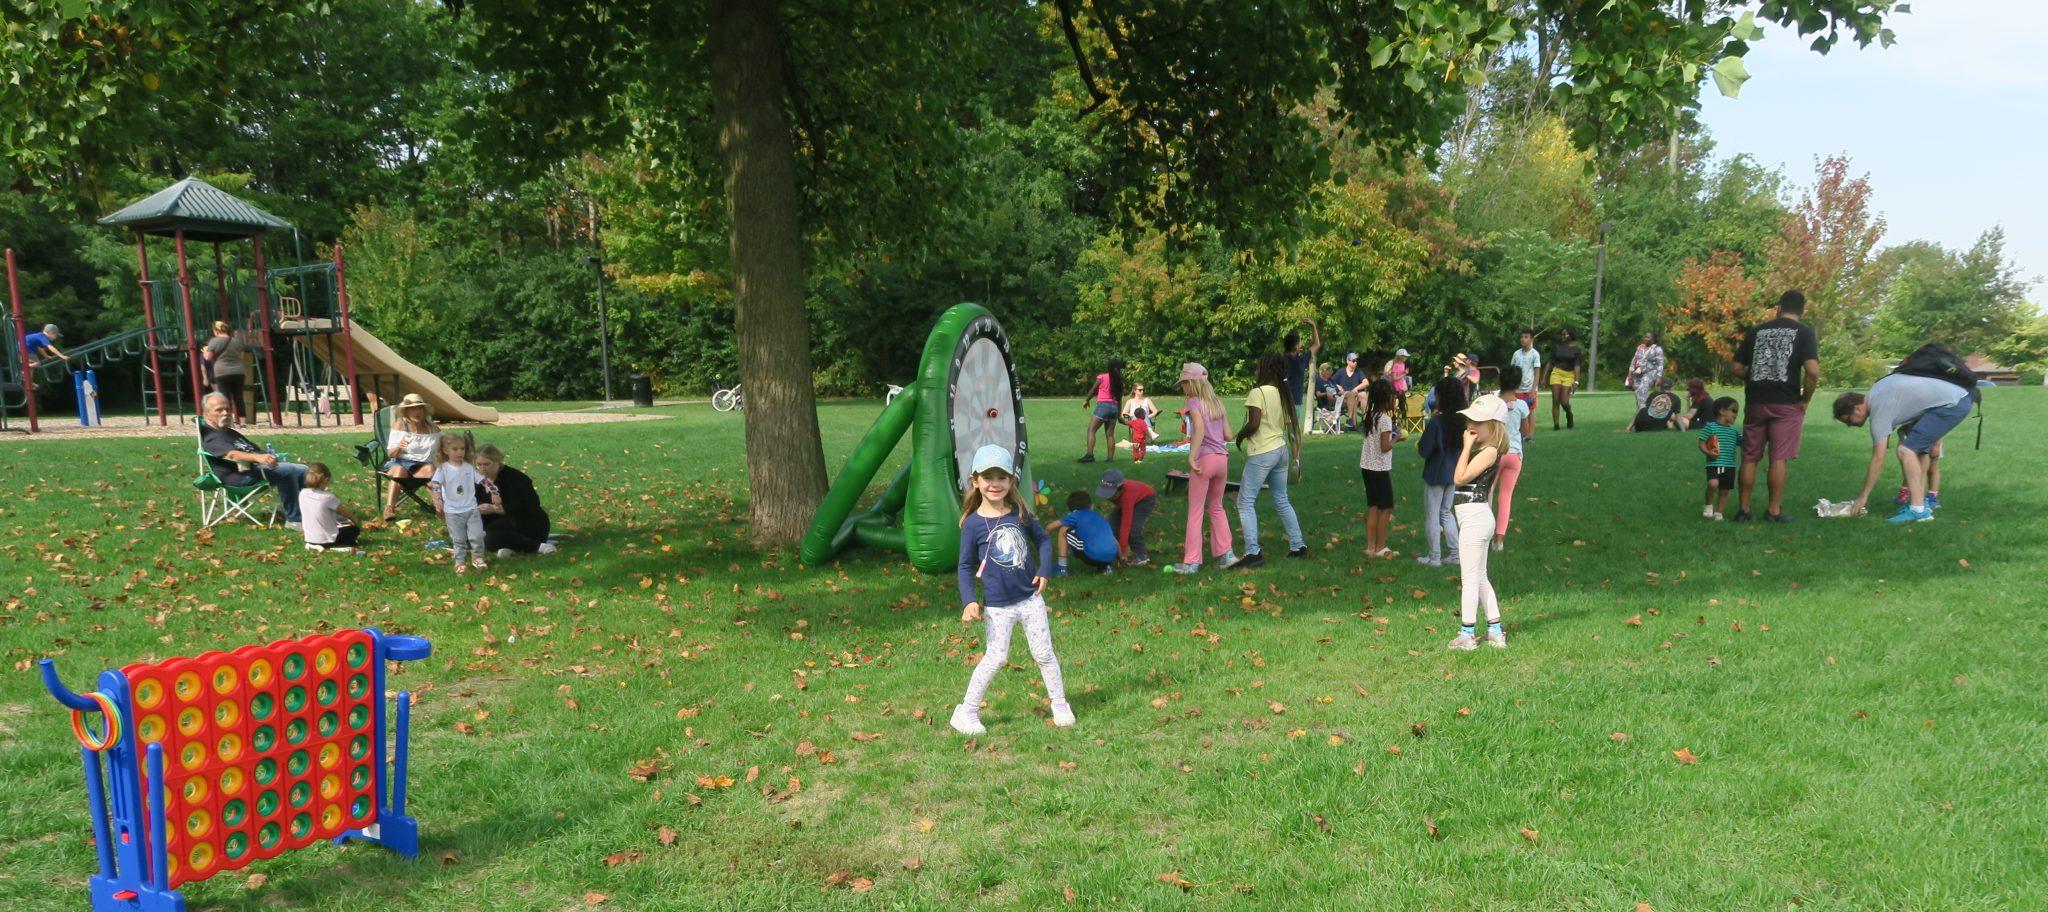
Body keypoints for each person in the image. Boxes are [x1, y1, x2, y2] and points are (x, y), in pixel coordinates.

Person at [952, 444, 1072, 734]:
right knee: (995, 658)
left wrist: (1044, 570)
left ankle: (1059, 703)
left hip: (1030, 600)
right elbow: (965, 566)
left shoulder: (1019, 513)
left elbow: (1043, 540)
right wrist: (969, 601)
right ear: (975, 481)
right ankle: (965, 712)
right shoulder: (972, 525)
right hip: (997, 607)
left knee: (1044, 654)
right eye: (988, 477)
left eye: (1001, 477)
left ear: (1011, 481)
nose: (995, 484)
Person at [1832, 371, 1973, 523]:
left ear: (1857, 409)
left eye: (1848, 420)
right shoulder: (1876, 391)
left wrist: (1863, 496)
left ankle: (1918, 511)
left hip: (1952, 404)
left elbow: (1878, 460)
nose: (1849, 425)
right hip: (1958, 398)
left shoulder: (1878, 410)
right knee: (1917, 450)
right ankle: (1920, 503)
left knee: (1905, 450)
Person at [1731, 290, 1820, 522]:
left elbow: (1736, 368)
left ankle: (1744, 510)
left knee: (1749, 457)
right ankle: (1773, 511)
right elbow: (1812, 371)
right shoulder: (1804, 332)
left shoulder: (1757, 331)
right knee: (1778, 458)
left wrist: (1756, 377)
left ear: (1779, 308)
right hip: (1786, 404)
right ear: (1802, 311)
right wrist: (1805, 399)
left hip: (1756, 402)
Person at [1231, 352, 1307, 569]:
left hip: (1262, 452)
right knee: (1282, 499)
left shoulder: (1258, 393)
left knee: (1245, 502)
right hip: (1280, 451)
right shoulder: (1283, 393)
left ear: (1265, 370)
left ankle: (1253, 552)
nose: (1256, 371)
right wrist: (1296, 455)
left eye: (1258, 367)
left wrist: (1240, 436)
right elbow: (1291, 428)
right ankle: (1298, 545)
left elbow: (1254, 423)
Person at [1448, 395, 1510, 651]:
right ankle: (1495, 630)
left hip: (1475, 519)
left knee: (1469, 579)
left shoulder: (1489, 452)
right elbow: (1489, 491)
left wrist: (1465, 447)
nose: (1471, 425)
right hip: (1477, 517)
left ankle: (1467, 635)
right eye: (1470, 420)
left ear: (1494, 425)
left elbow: (1459, 478)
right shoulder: (1488, 452)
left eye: (1478, 422)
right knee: (1480, 577)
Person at [199, 392, 309, 529]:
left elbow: (253, 449)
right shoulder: (211, 436)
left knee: (302, 470)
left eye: (227, 409)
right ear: (207, 414)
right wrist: (258, 458)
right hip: (239, 478)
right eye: (219, 410)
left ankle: (307, 513)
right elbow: (232, 455)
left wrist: (268, 456)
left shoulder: (230, 432)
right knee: (287, 470)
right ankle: (294, 520)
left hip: (254, 470)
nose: (225, 413)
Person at [1167, 363, 1239, 574]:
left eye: (1184, 384)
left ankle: (1192, 562)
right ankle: (1227, 555)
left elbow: (1198, 428)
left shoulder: (1193, 402)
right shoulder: (1217, 403)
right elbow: (1228, 435)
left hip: (1204, 460)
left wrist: (1192, 456)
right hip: (1222, 460)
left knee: (1196, 510)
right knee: (1216, 507)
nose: (1183, 388)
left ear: (1192, 383)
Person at [1415, 378, 1465, 568]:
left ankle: (1434, 556)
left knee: (1432, 513)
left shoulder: (1436, 422)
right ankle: (1455, 554)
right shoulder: (1462, 420)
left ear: (1441, 398)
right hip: (1453, 472)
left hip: (1436, 473)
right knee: (1446, 512)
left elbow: (1424, 449)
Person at [430, 432, 497, 573]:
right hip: (453, 512)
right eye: (455, 449)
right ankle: (460, 562)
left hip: (471, 509)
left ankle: (477, 557)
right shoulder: (443, 469)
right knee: (458, 539)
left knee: (477, 535)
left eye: (462, 448)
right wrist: (438, 499)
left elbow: (483, 480)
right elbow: (435, 484)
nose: (460, 452)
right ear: (446, 451)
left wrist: (494, 492)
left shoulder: (468, 468)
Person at [476, 443, 556, 555]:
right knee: (476, 533)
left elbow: (529, 506)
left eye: (486, 464)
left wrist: (494, 509)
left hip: (528, 522)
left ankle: (539, 547)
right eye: (479, 465)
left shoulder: (515, 478)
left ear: (498, 461)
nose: (482, 469)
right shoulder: (479, 481)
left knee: (490, 535)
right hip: (499, 525)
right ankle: (510, 548)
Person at [379, 393, 441, 520]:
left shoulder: (432, 428)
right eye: (412, 409)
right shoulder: (400, 426)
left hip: (422, 466)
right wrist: (399, 447)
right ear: (406, 412)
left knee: (430, 470)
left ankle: (440, 509)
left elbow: (445, 447)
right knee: (398, 471)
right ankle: (389, 508)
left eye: (419, 408)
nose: (417, 412)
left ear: (424, 411)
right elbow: (390, 454)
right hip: (400, 463)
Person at [1357, 378, 1398, 559]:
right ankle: (1381, 547)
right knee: (1386, 508)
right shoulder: (1385, 419)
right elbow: (1385, 446)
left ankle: (1370, 547)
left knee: (1373, 507)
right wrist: (1396, 438)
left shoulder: (1369, 416)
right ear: (1386, 398)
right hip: (1379, 469)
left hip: (1366, 467)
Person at [1492, 366, 1531, 552]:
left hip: (1495, 453)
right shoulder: (1522, 406)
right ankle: (1499, 540)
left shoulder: (1494, 402)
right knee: (1505, 497)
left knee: (1487, 493)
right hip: (1514, 454)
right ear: (1518, 383)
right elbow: (1526, 431)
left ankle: (1484, 534)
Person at [1097, 469, 1156, 566]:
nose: (1109, 498)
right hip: (1129, 500)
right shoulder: (1116, 493)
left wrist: (1123, 550)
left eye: (1111, 495)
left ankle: (1141, 555)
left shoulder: (1127, 497)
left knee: (1133, 527)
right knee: (1110, 524)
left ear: (1120, 491)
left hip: (1145, 500)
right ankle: (1114, 551)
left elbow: (1126, 525)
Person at [298, 462, 362, 552]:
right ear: (325, 480)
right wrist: (355, 520)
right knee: (354, 530)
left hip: (309, 538)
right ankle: (338, 544)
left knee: (339, 523)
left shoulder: (302, 494)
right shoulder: (328, 497)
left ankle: (315, 545)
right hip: (327, 540)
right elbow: (345, 512)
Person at [1051, 490, 1118, 575]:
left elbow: (1051, 526)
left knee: (1063, 530)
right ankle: (1106, 567)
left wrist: (1045, 535)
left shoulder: (1075, 515)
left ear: (1073, 511)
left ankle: (1062, 567)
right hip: (1110, 557)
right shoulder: (1101, 517)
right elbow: (1114, 540)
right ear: (1092, 506)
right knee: (1102, 538)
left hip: (1092, 556)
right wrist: (1122, 557)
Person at [1697, 397, 1741, 521]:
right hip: (1715, 463)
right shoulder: (1710, 427)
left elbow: (1743, 442)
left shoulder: (1734, 431)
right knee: (1713, 484)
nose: (1736, 414)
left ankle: (1719, 513)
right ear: (1722, 411)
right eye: (1734, 410)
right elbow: (1701, 443)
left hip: (1730, 465)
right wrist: (1708, 452)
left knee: (1724, 490)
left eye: (1737, 411)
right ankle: (1708, 505)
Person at [1079, 359, 1127, 463]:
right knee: (1110, 434)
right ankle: (1110, 459)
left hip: (1103, 406)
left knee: (1091, 430)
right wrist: (1119, 416)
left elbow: (1093, 390)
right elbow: (1119, 400)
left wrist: (1087, 400)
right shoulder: (1119, 382)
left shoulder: (1102, 377)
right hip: (1114, 408)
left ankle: (1089, 455)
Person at [203, 321, 249, 424]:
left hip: (222, 372)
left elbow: (208, 358)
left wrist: (205, 351)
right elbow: (241, 356)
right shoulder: (237, 341)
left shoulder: (214, 341)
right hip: (239, 372)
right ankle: (243, 422)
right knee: (239, 397)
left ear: (216, 331)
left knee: (225, 398)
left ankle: (228, 420)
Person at [1281, 318, 1322, 436]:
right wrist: (1313, 325)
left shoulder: (1280, 359)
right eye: (1299, 343)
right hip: (1295, 401)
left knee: (1279, 433)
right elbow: (1316, 344)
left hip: (1281, 400)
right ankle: (1295, 449)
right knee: (1293, 434)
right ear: (1295, 346)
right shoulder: (1300, 361)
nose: (1301, 345)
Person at [1546, 328, 1583, 430]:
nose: (1562, 336)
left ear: (1571, 335)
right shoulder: (1557, 347)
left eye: (1565, 334)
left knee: (1564, 401)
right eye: (1562, 334)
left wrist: (1576, 381)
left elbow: (1577, 366)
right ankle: (1556, 425)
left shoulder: (1576, 349)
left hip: (1569, 375)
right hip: (1556, 373)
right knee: (1555, 400)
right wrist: (1543, 377)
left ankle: (1569, 414)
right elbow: (1550, 362)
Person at [1509, 330, 1542, 440]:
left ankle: (1530, 435)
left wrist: (1533, 390)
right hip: (1517, 389)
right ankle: (1521, 434)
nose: (1523, 339)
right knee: (1517, 411)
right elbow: (1512, 371)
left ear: (1531, 339)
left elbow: (1537, 373)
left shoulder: (1535, 354)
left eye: (1526, 337)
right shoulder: (1516, 354)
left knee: (1530, 411)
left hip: (1529, 388)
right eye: (1522, 337)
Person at [1626, 331, 1668, 411]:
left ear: (1653, 339)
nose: (1645, 339)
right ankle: (1641, 411)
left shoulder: (1657, 349)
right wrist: (1629, 374)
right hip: (1638, 373)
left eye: (1648, 337)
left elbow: (1660, 364)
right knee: (1637, 392)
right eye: (1645, 337)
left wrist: (1659, 377)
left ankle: (1643, 411)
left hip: (1651, 373)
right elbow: (1634, 360)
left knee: (1642, 390)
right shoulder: (1640, 348)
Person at [1333, 353, 1367, 430]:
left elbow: (1366, 382)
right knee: (1351, 395)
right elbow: (1331, 381)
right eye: (1353, 360)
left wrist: (1356, 388)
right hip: (1344, 397)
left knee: (1363, 394)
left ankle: (1366, 420)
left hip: (1355, 396)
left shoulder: (1358, 371)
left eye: (1356, 360)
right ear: (1348, 361)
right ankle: (1351, 421)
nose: (1355, 362)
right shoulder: (1341, 372)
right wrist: (1338, 386)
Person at [1385, 349, 1412, 418]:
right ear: (1400, 357)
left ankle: (1403, 418)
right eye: (1405, 356)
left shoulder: (1403, 364)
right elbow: (1394, 378)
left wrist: (1404, 372)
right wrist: (1404, 374)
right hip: (1395, 388)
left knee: (1403, 404)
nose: (1406, 358)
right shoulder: (1395, 365)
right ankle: (1394, 418)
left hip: (1401, 388)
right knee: (1395, 405)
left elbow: (1400, 373)